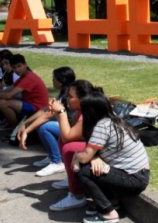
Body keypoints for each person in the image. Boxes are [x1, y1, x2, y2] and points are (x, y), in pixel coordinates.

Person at [20, 80, 103, 212]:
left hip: (103, 152)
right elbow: (48, 114)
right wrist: (26, 130)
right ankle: (71, 178)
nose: (67, 98)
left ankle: (77, 195)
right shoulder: (80, 107)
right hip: (93, 147)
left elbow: (67, 136)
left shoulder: (88, 112)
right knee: (61, 139)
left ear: (82, 99)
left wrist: (61, 112)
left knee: (69, 147)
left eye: (71, 96)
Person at [72, 92, 150, 223]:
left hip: (133, 178)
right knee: (93, 167)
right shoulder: (113, 119)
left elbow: (84, 158)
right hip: (140, 174)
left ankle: (108, 213)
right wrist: (94, 157)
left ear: (89, 112)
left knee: (82, 170)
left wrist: (76, 155)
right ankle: (111, 202)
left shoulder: (102, 126)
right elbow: (92, 151)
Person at [16, 67, 76, 177]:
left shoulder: (67, 96)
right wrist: (26, 123)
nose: (52, 80)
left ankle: (57, 162)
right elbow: (45, 110)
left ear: (61, 81)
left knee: (44, 127)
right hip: (68, 127)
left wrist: (27, 130)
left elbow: (47, 115)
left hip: (73, 130)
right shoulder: (63, 93)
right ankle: (53, 156)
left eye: (54, 78)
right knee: (43, 124)